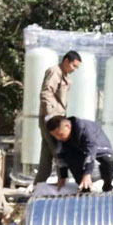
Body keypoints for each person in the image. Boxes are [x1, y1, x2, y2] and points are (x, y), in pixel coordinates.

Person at [34, 50, 82, 185]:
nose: (74, 69)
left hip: (58, 119)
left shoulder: (65, 76)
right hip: (52, 121)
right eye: (73, 65)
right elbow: (46, 93)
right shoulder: (55, 72)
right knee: (60, 152)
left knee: (46, 155)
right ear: (66, 61)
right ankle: (63, 183)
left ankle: (38, 186)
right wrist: (50, 117)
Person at [46, 115, 113, 192]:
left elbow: (91, 151)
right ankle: (84, 187)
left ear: (67, 126)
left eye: (60, 134)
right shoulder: (61, 137)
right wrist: (63, 177)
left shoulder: (85, 129)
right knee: (70, 158)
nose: (58, 138)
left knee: (107, 160)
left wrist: (87, 174)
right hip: (80, 150)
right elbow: (61, 156)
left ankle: (107, 187)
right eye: (55, 136)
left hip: (100, 148)